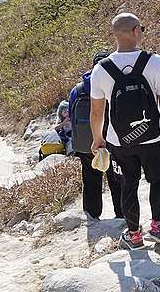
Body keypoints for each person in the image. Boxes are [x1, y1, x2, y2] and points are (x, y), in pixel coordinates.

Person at [89, 13, 160, 250]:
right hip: (153, 136)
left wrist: (98, 139)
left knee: (129, 182)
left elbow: (97, 111)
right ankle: (157, 227)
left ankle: (134, 234)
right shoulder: (154, 61)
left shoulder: (101, 69)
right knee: (158, 179)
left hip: (120, 141)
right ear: (135, 31)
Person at [68, 51, 123, 220]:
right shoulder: (115, 84)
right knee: (116, 178)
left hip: (86, 141)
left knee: (91, 178)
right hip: (112, 139)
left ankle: (92, 215)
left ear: (92, 66)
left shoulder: (78, 89)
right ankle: (121, 215)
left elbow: (71, 114)